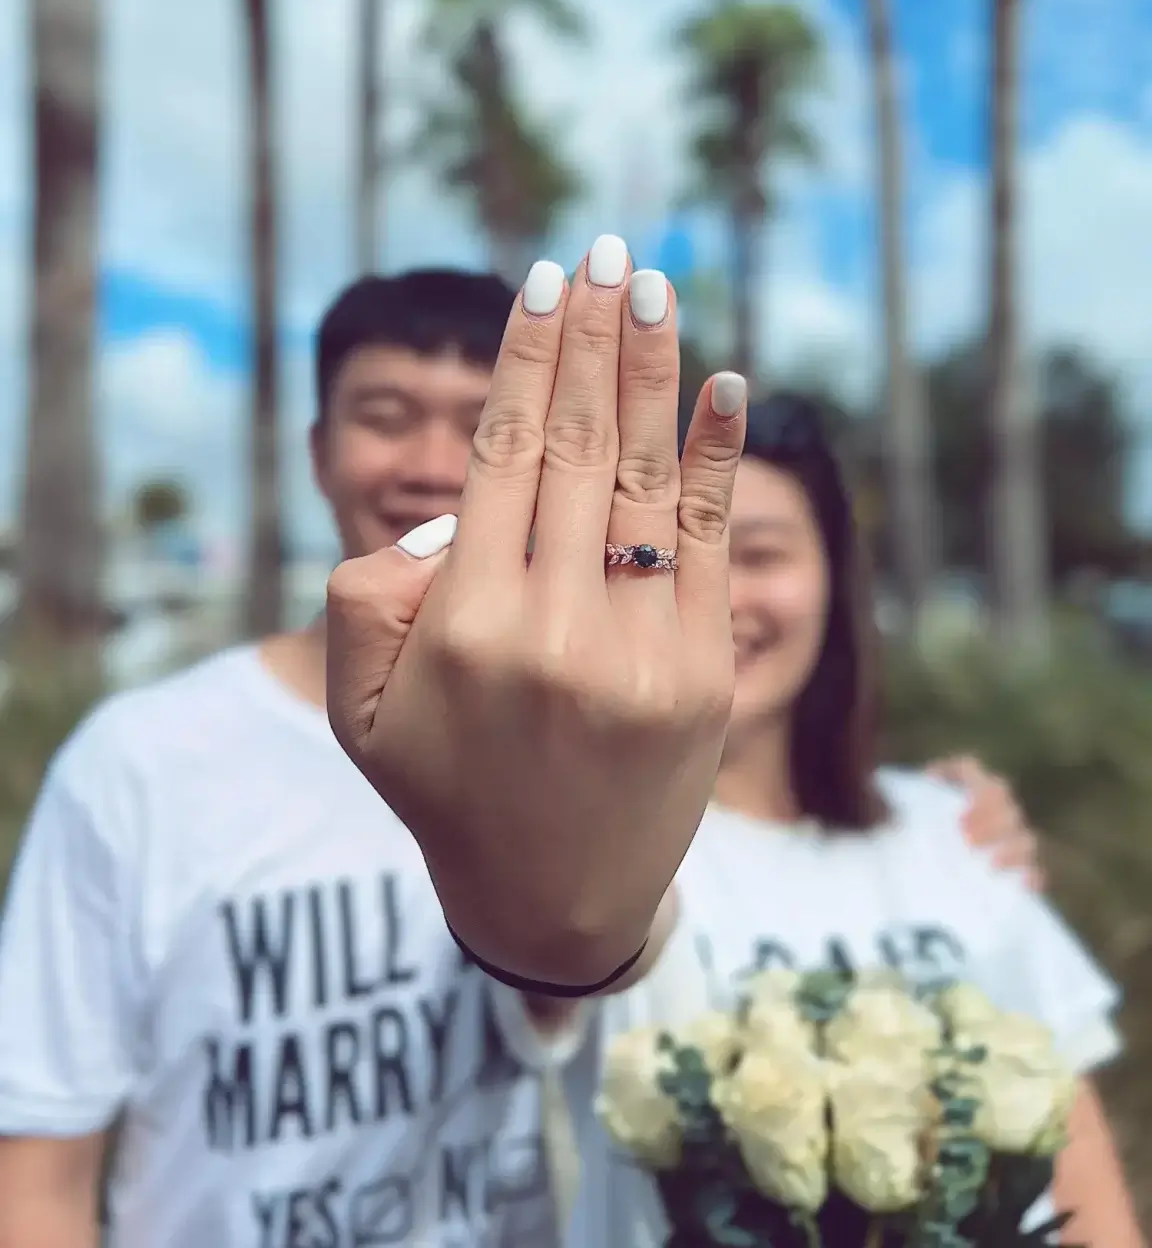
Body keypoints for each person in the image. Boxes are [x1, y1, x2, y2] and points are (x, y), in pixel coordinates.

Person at [0, 250, 1037, 1248]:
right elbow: (39, 1170)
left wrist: (931, 819)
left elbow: (672, 914)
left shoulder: (608, 724)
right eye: (384, 417)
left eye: (481, 422)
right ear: (319, 451)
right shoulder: (140, 760)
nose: (430, 465)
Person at [491, 395, 1143, 1247]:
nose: (717, 594)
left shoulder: (953, 830)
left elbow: (1074, 1157)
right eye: (669, 556)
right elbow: (571, 942)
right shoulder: (595, 855)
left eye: (761, 554)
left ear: (835, 576)